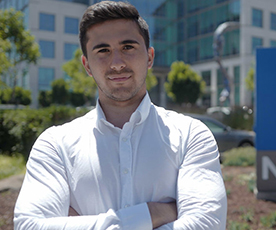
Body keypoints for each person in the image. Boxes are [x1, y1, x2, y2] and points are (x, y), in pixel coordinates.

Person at [14, 1, 227, 229]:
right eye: (103, 50)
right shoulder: (55, 145)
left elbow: (207, 225)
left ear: (149, 57)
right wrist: (151, 214)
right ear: (87, 65)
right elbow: (29, 226)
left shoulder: (191, 136)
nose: (117, 63)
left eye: (128, 47)